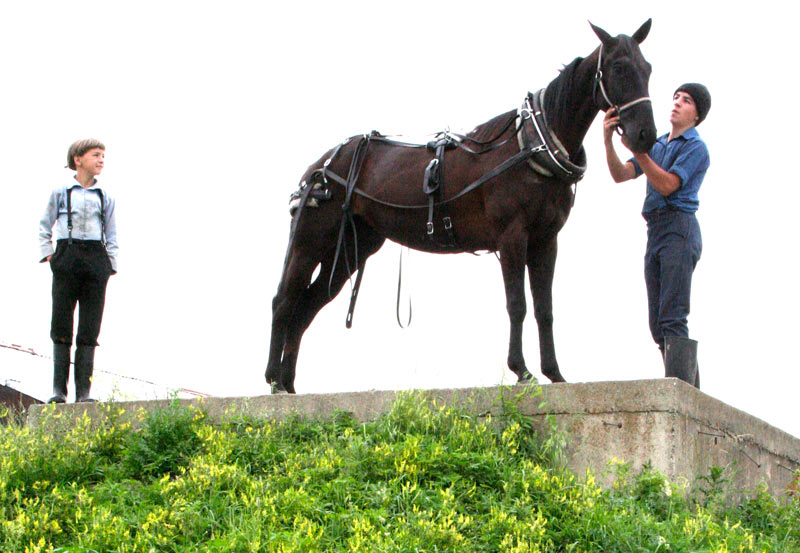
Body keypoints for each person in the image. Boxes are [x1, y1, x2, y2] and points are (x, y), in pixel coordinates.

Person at [603, 83, 711, 388]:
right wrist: (609, 140)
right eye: (676, 97)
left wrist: (638, 151)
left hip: (679, 228)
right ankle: (691, 394)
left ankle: (681, 398)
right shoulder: (658, 143)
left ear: (697, 114)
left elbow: (668, 185)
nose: (677, 103)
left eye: (686, 101)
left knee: (673, 317)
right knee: (658, 325)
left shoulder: (695, 147)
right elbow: (621, 174)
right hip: (656, 231)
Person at [39, 139, 118, 403]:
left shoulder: (105, 195)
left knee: (89, 327)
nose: (101, 160)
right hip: (67, 256)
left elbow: (112, 232)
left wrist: (110, 265)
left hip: (96, 259)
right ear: (78, 159)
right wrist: (49, 254)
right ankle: (58, 391)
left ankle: (84, 393)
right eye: (96, 155)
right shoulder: (61, 190)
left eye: (103, 156)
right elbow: (44, 225)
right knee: (61, 323)